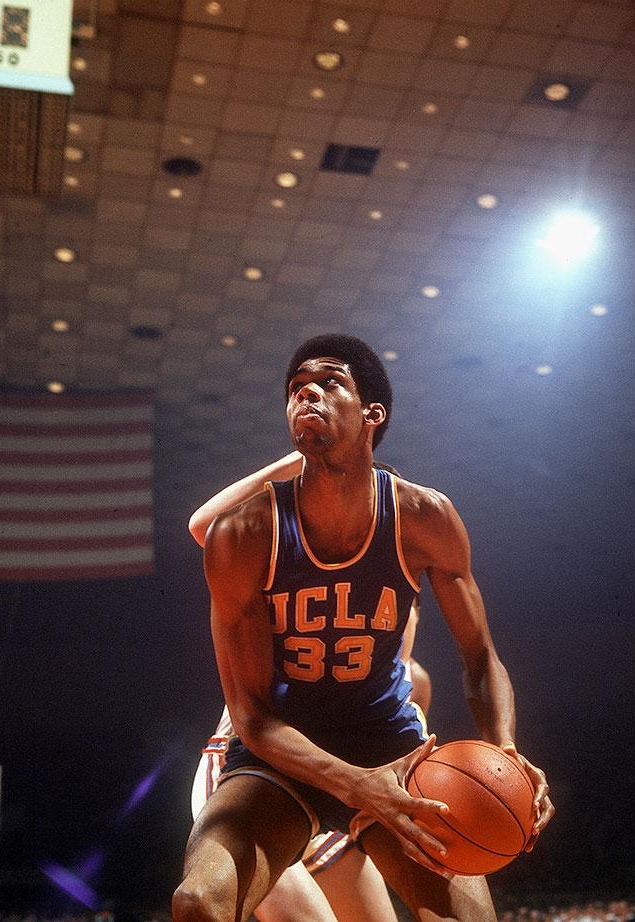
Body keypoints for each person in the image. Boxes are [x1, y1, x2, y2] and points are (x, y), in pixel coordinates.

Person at [173, 334, 553, 922]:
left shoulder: (423, 519)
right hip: (282, 750)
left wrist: (504, 750)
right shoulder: (242, 535)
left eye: (329, 384)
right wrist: (355, 785)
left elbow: (480, 658)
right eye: (297, 389)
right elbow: (251, 717)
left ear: (372, 414)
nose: (307, 394)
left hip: (384, 742)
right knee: (201, 901)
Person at [188, 454, 430, 922]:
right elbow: (207, 527)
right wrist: (309, 458)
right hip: (263, 771)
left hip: (345, 783)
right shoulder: (286, 560)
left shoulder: (406, 626)